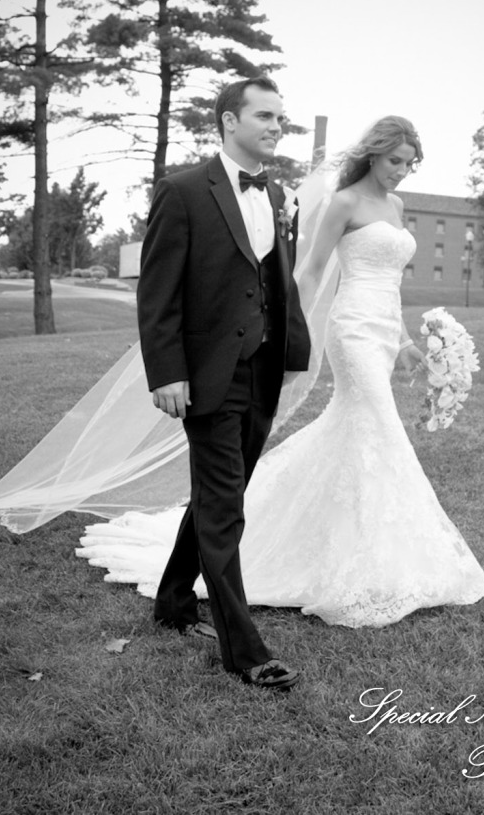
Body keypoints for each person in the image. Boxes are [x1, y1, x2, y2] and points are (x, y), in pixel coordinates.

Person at [77, 116, 484, 633]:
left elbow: (391, 283)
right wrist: (292, 332)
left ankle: (358, 544)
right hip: (352, 330)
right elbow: (310, 270)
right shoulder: (344, 202)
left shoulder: (398, 206)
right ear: (373, 155)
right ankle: (367, 561)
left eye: (409, 164)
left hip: (384, 331)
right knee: (381, 427)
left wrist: (405, 339)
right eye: (394, 161)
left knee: (359, 433)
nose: (401, 171)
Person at [136, 76, 312, 692]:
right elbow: (157, 292)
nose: (276, 127)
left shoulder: (279, 194)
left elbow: (279, 280)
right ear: (229, 121)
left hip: (261, 369)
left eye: (280, 118)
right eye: (264, 116)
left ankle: (173, 601)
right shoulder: (183, 191)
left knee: (220, 493)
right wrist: (167, 372)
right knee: (223, 504)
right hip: (208, 373)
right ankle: (246, 651)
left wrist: (293, 350)